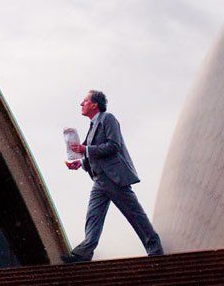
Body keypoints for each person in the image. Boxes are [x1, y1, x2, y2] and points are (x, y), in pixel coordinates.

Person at [61, 90, 163, 262]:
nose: (81, 103)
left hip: (113, 178)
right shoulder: (93, 125)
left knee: (134, 214)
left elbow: (113, 146)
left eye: (85, 101)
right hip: (100, 180)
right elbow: (93, 156)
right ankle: (83, 253)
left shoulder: (107, 119)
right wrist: (80, 163)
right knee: (93, 217)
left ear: (94, 104)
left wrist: (85, 149)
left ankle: (155, 249)